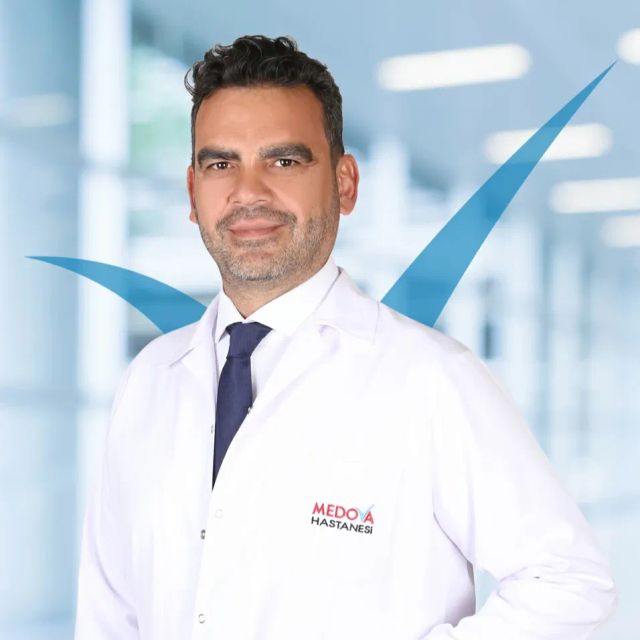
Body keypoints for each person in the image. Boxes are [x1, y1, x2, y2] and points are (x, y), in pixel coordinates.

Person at [74, 35, 617, 639]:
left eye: (284, 161)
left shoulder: (432, 378)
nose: (248, 192)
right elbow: (109, 611)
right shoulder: (149, 379)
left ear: (345, 183)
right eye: (221, 164)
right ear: (192, 194)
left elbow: (568, 582)